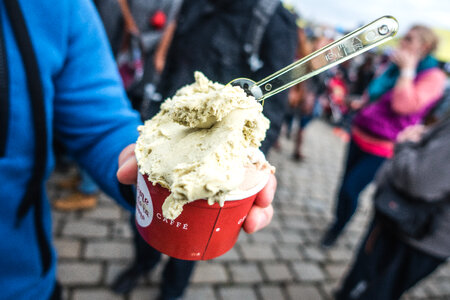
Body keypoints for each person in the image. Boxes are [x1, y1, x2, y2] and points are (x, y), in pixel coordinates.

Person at [0, 1, 276, 299]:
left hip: (27, 284)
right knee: (146, 238)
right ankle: (142, 265)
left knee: (182, 249)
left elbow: (98, 122)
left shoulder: (56, 7)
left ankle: (171, 290)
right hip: (171, 114)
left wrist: (133, 160)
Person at [111, 0, 297, 299]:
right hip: (168, 137)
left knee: (190, 242)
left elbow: (274, 105)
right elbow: (174, 59)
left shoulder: (275, 21)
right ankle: (142, 264)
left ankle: (172, 290)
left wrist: (253, 163)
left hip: (217, 165)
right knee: (146, 218)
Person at [320, 25, 447, 247]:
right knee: (343, 184)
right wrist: (363, 102)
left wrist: (408, 71)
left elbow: (403, 105)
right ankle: (337, 220)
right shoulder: (393, 66)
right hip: (360, 132)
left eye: (408, 40)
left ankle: (338, 227)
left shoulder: (432, 76)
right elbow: (376, 92)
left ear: (424, 46)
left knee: (351, 189)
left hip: (383, 146)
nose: (402, 43)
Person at [335, 115, 450, 300]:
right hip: (420, 234)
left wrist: (406, 143)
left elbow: (420, 180)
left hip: (411, 233)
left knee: (369, 288)